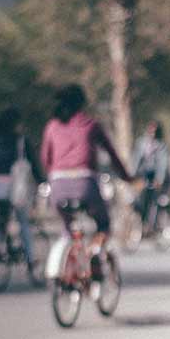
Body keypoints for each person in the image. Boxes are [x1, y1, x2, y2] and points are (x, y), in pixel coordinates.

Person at [39, 85, 131, 279]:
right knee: (103, 224)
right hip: (85, 185)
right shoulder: (91, 124)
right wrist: (127, 178)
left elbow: (45, 160)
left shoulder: (52, 126)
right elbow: (113, 156)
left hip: (58, 186)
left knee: (69, 229)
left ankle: (68, 264)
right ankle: (96, 251)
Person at [0, 109, 46, 267]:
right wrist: (42, 181)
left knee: (1, 218)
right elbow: (33, 165)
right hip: (13, 188)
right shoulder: (21, 141)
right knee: (23, 220)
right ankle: (30, 258)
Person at [132, 121, 169, 228]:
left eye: (155, 131)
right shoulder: (141, 143)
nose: (152, 133)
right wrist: (132, 177)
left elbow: (163, 163)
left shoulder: (161, 145)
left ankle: (153, 224)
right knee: (139, 199)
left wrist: (159, 179)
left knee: (155, 200)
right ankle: (141, 223)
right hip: (143, 175)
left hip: (155, 176)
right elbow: (136, 160)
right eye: (151, 130)